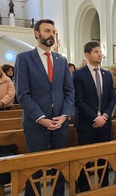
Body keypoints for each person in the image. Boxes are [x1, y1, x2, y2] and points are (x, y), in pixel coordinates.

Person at [14, 19, 75, 196]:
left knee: (59, 166)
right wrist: (41, 119)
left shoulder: (61, 60)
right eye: (47, 31)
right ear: (36, 33)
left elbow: (69, 92)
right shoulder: (24, 58)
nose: (51, 35)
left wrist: (65, 115)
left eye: (53, 32)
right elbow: (23, 94)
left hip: (60, 123)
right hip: (36, 124)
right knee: (35, 167)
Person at [73, 41, 116, 192]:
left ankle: (104, 186)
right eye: (96, 51)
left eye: (100, 51)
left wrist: (104, 116)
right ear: (87, 54)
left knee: (103, 157)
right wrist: (94, 117)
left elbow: (112, 98)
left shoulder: (107, 74)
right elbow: (78, 101)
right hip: (86, 125)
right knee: (85, 159)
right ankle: (84, 189)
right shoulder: (78, 75)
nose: (100, 54)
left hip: (104, 124)